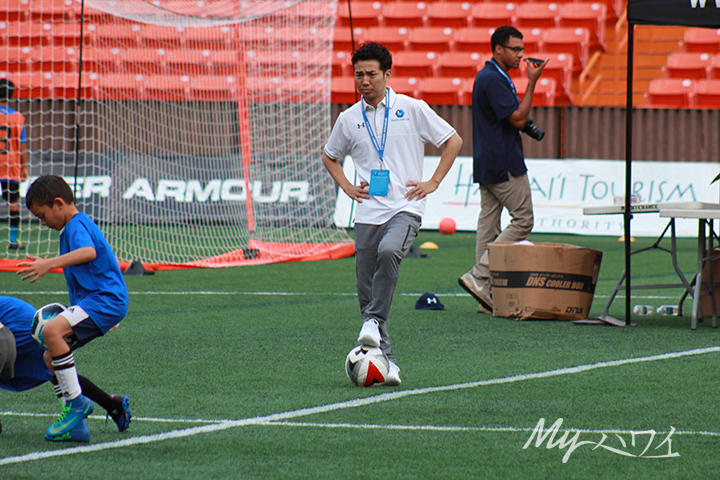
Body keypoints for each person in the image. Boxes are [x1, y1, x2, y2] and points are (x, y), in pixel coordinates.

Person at [323, 42, 462, 386]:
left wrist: (433, 181)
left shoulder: (412, 108)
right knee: (365, 289)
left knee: (388, 253)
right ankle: (387, 362)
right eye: (359, 74)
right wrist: (346, 186)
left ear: (388, 74)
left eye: (371, 74)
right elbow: (330, 156)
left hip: (406, 207)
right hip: (368, 212)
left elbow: (453, 140)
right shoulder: (348, 119)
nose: (365, 80)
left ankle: (371, 323)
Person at [17, 175, 129, 441]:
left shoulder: (77, 224)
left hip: (104, 300)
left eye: (43, 216)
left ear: (58, 204)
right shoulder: (72, 228)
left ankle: (77, 406)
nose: (43, 223)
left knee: (52, 331)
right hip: (99, 303)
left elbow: (89, 252)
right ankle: (81, 421)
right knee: (49, 358)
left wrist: (48, 263)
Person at [458, 26, 549, 313]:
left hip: (487, 160)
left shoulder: (492, 76)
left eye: (522, 49)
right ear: (498, 49)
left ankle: (487, 293)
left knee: (488, 224)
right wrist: (532, 82)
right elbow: (519, 120)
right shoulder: (494, 78)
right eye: (515, 49)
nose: (521, 55)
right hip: (504, 162)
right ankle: (480, 274)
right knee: (524, 220)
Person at [0, 296, 131, 441]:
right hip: (25, 327)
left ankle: (89, 415)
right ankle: (109, 407)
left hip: (21, 331)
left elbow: (4, 341)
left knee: (55, 371)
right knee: (57, 372)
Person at [0, 79, 29, 251]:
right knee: (13, 201)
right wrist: (24, 166)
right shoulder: (18, 118)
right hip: (10, 163)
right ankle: (13, 240)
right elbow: (22, 144)